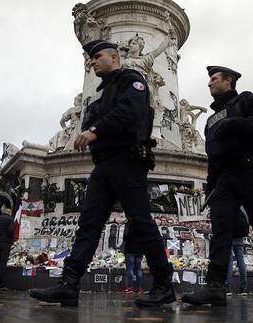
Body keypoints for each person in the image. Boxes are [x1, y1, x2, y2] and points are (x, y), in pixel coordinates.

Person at [29, 39, 174, 307]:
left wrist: (96, 130)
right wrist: (96, 128)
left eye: (97, 56)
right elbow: (92, 120)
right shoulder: (102, 94)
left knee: (141, 222)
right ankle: (69, 283)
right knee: (89, 224)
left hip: (128, 162)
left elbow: (129, 113)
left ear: (114, 57)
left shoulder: (132, 81)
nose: (92, 61)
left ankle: (164, 284)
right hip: (104, 165)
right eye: (90, 58)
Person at [182, 66, 253, 307]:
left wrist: (236, 123)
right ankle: (215, 286)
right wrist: (210, 186)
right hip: (224, 178)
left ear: (229, 81)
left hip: (251, 171)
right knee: (220, 231)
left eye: (214, 79)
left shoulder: (247, 100)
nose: (209, 83)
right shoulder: (211, 120)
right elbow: (212, 155)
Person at [123, 223, 144, 294]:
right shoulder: (142, 223)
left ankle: (130, 288)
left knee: (130, 268)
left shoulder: (129, 224)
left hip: (130, 249)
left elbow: (125, 236)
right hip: (140, 249)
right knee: (138, 268)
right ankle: (139, 288)